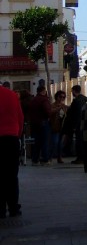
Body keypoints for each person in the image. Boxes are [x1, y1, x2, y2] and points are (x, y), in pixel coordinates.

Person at [0, 82, 23, 217]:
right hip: (11, 139)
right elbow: (20, 118)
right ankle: (13, 207)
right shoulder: (12, 95)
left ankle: (1, 209)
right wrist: (17, 135)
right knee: (11, 175)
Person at [27, 86, 52, 165]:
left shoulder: (33, 100)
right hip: (43, 122)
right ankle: (45, 159)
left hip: (34, 123)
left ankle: (35, 159)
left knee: (36, 142)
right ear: (44, 91)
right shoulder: (44, 100)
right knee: (45, 141)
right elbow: (47, 111)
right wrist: (50, 115)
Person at [65, 85, 87, 162]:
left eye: (72, 91)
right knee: (81, 140)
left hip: (77, 123)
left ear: (74, 91)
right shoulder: (84, 99)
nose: (72, 93)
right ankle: (82, 156)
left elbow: (75, 113)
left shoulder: (76, 101)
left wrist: (74, 125)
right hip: (83, 122)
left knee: (79, 141)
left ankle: (80, 157)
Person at [49, 91, 67, 163]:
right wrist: (58, 108)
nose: (62, 98)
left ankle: (59, 157)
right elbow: (51, 112)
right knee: (54, 142)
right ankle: (50, 157)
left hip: (62, 127)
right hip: (55, 126)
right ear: (56, 97)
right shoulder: (53, 105)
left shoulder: (64, 106)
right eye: (60, 97)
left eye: (63, 97)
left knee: (61, 143)